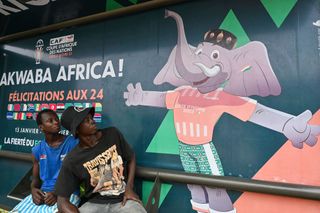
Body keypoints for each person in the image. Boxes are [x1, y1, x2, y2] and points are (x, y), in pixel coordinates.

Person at [55, 106, 146, 213]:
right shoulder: (72, 159)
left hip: (123, 200)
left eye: (91, 118)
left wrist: (129, 188)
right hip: (94, 204)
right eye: (86, 120)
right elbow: (62, 201)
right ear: (77, 129)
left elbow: (131, 158)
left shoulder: (112, 134)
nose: (92, 121)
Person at [10, 109, 80, 213]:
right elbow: (35, 180)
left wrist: (56, 193)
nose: (56, 122)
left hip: (67, 194)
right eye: (50, 121)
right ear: (41, 127)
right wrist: (33, 190)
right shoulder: (37, 150)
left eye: (56, 119)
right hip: (44, 195)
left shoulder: (72, 143)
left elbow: (78, 176)